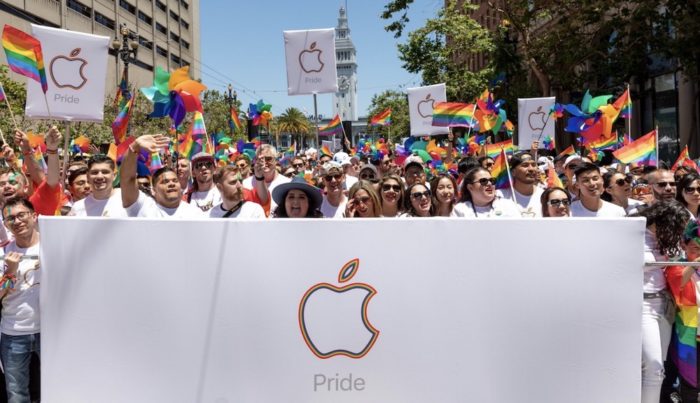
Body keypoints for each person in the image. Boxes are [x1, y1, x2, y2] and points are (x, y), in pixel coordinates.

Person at [0, 198, 42, 403]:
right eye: (10, 218)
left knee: (54, 389)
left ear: (34, 216)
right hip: (14, 333)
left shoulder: (53, 245)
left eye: (21, 215)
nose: (16, 221)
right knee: (17, 395)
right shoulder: (3, 253)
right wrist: (10, 271)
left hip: (51, 331)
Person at [663, 218, 700, 403]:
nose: (699, 253)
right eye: (695, 249)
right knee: (690, 380)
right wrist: (695, 264)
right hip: (688, 333)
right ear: (684, 246)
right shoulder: (677, 265)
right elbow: (678, 284)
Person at [121, 134, 203, 218]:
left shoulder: (195, 213)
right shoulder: (142, 208)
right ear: (153, 190)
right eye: (165, 181)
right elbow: (128, 179)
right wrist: (135, 146)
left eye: (175, 181)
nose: (171, 184)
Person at [452, 167, 520, 218]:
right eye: (484, 181)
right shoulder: (460, 210)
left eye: (492, 180)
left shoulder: (508, 205)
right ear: (470, 187)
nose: (490, 184)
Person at [242, 145, 289, 212]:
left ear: (275, 160)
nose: (264, 162)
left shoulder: (286, 183)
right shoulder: (246, 183)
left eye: (268, 159)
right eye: (260, 159)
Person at [499, 152, 544, 217]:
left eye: (534, 165)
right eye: (525, 165)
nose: (531, 169)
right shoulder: (500, 196)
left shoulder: (544, 195)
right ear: (513, 172)